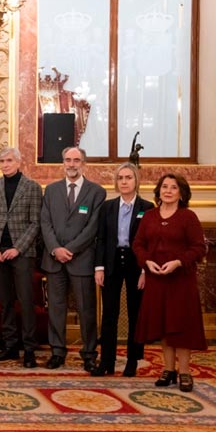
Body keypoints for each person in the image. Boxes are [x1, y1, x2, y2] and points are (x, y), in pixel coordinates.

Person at [133, 173, 207, 392]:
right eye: (164, 187)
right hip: (157, 281)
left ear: (181, 193)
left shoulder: (188, 217)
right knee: (163, 326)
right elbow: (138, 244)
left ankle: (184, 372)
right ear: (159, 191)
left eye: (173, 188)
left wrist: (178, 262)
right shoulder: (149, 216)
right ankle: (168, 370)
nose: (168, 191)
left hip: (180, 281)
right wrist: (146, 261)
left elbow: (199, 248)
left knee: (180, 327)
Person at [40, 146, 105, 371]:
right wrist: (56, 249)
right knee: (56, 309)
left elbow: (93, 227)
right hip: (54, 260)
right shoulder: (51, 190)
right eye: (68, 160)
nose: (71, 164)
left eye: (76, 160)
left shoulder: (97, 192)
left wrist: (71, 249)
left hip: (82, 261)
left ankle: (89, 353)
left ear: (84, 164)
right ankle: (57, 352)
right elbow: (45, 223)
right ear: (63, 163)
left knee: (86, 309)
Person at [0, 147, 42, 369]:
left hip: (22, 254)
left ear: (18, 162)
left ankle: (29, 349)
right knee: (5, 302)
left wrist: (18, 248)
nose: (5, 164)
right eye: (1, 161)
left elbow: (35, 223)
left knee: (26, 302)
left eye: (8, 160)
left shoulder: (32, 187)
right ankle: (10, 346)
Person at [92, 163, 154, 377]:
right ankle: (106, 361)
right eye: (121, 178)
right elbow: (100, 239)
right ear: (116, 182)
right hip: (111, 261)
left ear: (136, 180)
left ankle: (132, 361)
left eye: (129, 177)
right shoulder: (107, 207)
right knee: (109, 313)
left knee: (135, 313)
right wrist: (99, 267)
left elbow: (151, 242)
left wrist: (146, 270)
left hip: (136, 263)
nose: (125, 181)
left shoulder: (147, 207)